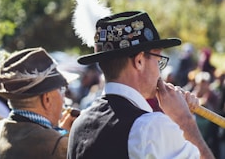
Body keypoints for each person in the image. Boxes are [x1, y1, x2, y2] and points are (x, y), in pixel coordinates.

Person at [67, 11, 214, 158]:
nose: (159, 71)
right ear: (139, 61)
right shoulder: (151, 126)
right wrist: (185, 121)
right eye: (158, 60)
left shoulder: (79, 124)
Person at [0, 47, 78, 159]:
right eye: (62, 89)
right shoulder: (58, 146)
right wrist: (72, 138)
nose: (64, 98)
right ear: (47, 99)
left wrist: (61, 134)